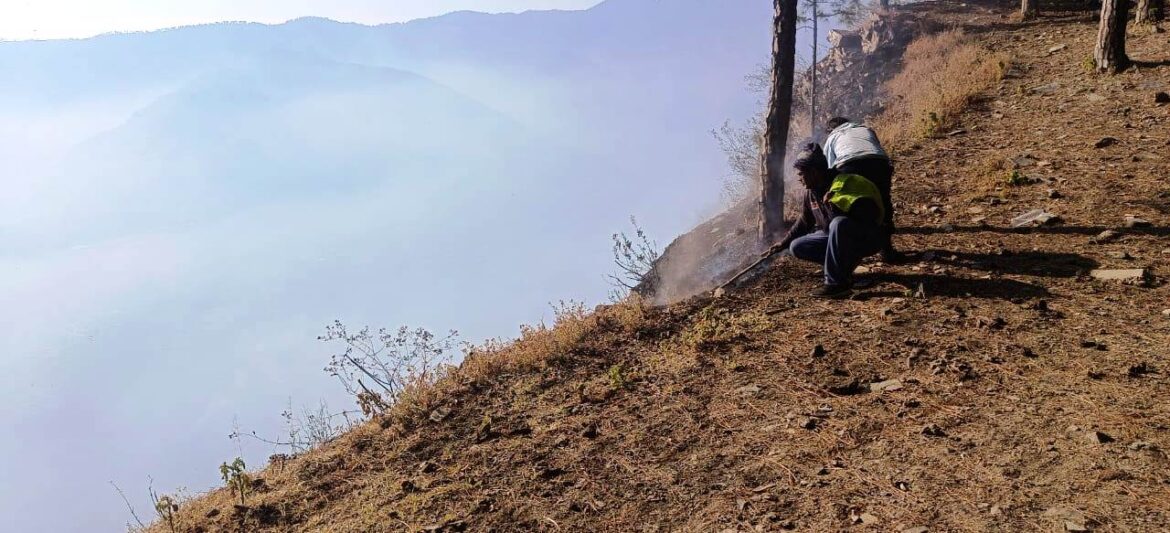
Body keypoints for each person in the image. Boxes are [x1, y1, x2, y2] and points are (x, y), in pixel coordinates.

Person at [769, 143, 886, 299]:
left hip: (866, 238)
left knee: (838, 223)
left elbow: (867, 216)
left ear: (814, 172)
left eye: (801, 173)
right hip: (834, 238)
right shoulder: (810, 193)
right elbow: (805, 221)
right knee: (797, 246)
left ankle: (836, 284)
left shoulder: (843, 183)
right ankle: (842, 270)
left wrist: (834, 207)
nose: (799, 178)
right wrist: (783, 243)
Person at [823, 117, 901, 262]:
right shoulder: (865, 129)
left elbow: (829, 167)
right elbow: (875, 147)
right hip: (879, 164)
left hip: (849, 165)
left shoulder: (832, 137)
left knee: (850, 203)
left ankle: (849, 248)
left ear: (830, 129)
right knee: (883, 201)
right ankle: (887, 250)